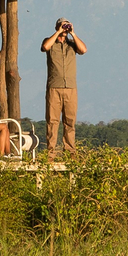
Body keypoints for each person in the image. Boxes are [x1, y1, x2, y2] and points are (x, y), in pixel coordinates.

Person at [41, 17, 86, 154]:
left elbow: (83, 50)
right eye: (62, 26)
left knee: (70, 121)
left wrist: (73, 33)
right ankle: (51, 153)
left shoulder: (72, 44)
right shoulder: (50, 42)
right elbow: (45, 47)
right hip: (54, 87)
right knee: (52, 121)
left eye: (66, 26)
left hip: (71, 88)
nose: (64, 28)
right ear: (57, 27)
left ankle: (70, 151)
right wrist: (58, 32)